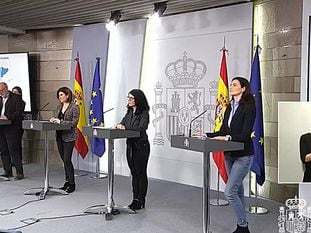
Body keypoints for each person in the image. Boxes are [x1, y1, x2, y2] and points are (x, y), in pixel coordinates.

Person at [204, 77, 256, 233]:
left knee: (229, 192)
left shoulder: (249, 107)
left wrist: (229, 137)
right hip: (229, 154)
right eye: (231, 84)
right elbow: (223, 131)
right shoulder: (228, 107)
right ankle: (242, 226)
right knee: (238, 191)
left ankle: (243, 226)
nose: (231, 87)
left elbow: (246, 134)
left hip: (243, 155)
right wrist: (207, 134)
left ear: (243, 88)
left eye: (234, 85)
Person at [115, 89, 150, 210]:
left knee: (141, 172)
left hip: (141, 145)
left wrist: (124, 127)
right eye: (128, 98)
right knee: (134, 173)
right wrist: (118, 125)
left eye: (131, 98)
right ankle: (135, 199)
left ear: (138, 100)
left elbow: (141, 128)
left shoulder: (144, 113)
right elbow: (123, 124)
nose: (129, 100)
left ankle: (141, 200)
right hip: (130, 145)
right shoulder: (129, 112)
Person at [50, 87, 79, 193]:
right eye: (59, 95)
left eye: (61, 95)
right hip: (59, 136)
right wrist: (54, 120)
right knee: (64, 161)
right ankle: (67, 181)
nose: (59, 97)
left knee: (67, 160)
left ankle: (72, 183)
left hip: (69, 137)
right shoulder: (59, 107)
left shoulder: (74, 107)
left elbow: (74, 123)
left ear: (67, 95)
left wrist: (60, 122)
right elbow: (57, 119)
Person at [0, 82, 25, 180]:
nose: (1, 93)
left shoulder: (15, 98)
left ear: (6, 88)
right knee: (3, 149)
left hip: (12, 127)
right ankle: (8, 171)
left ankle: (19, 172)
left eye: (2, 91)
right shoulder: (0, 97)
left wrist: (8, 117)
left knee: (13, 149)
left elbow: (18, 112)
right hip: (1, 127)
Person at [12, 86, 26, 163]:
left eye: (16, 92)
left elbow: (18, 113)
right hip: (10, 125)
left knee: (17, 142)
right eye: (13, 92)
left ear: (19, 93)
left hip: (18, 125)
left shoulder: (22, 102)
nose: (14, 94)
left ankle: (18, 159)